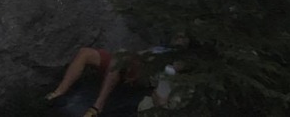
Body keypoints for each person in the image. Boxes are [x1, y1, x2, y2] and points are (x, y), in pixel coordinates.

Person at [46, 35, 188, 116]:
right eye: (178, 36)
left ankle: (97, 107)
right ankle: (58, 92)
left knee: (120, 58)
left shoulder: (181, 57)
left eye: (182, 38)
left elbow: (173, 69)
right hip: (133, 62)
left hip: (145, 73)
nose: (178, 38)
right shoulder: (161, 47)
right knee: (86, 53)